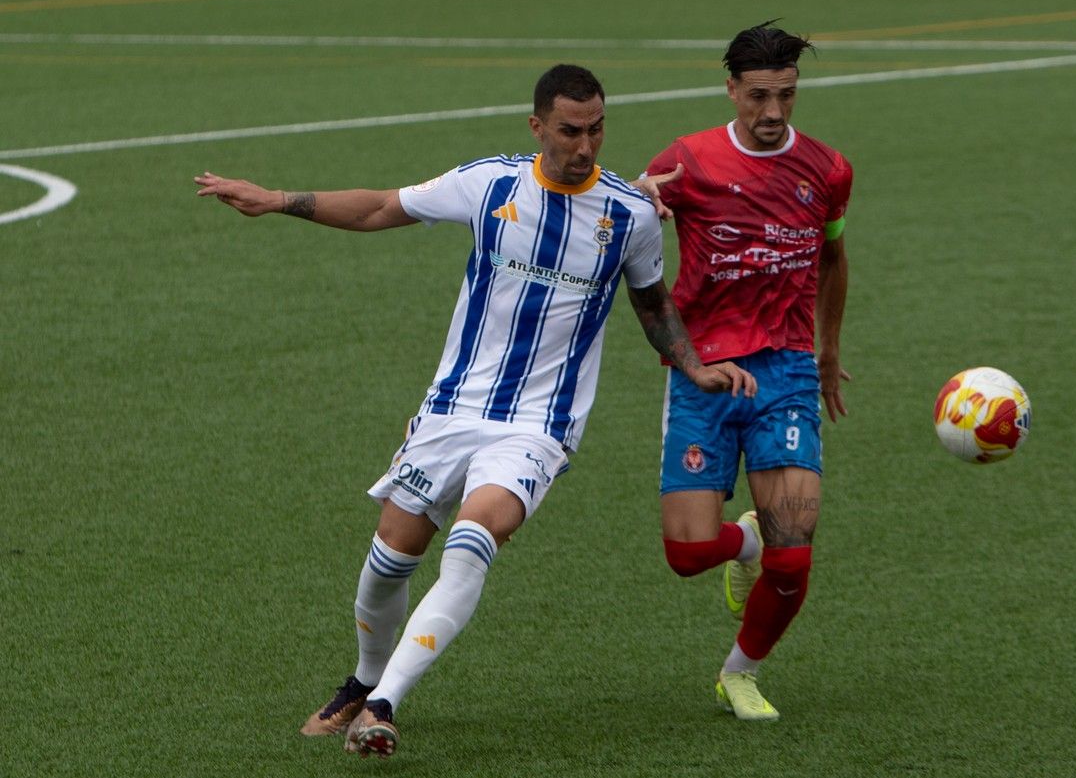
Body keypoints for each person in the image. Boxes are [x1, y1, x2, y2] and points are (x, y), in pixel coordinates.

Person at [194, 64, 755, 758]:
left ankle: (383, 705)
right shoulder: (490, 183)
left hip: (538, 426)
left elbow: (650, 300)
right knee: (389, 560)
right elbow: (379, 207)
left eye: (596, 130)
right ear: (538, 127)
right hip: (452, 407)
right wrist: (277, 199)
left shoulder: (630, 214)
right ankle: (363, 677)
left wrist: (692, 364)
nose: (585, 146)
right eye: (569, 131)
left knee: (469, 545)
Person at [640, 22, 853, 722]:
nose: (771, 113)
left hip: (785, 370)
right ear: (730, 89)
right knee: (687, 552)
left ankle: (740, 672)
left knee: (795, 555)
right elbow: (627, 230)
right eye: (758, 96)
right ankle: (746, 539)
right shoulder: (687, 161)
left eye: (785, 96)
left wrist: (825, 353)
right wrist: (639, 199)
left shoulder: (826, 170)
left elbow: (830, 259)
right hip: (701, 370)